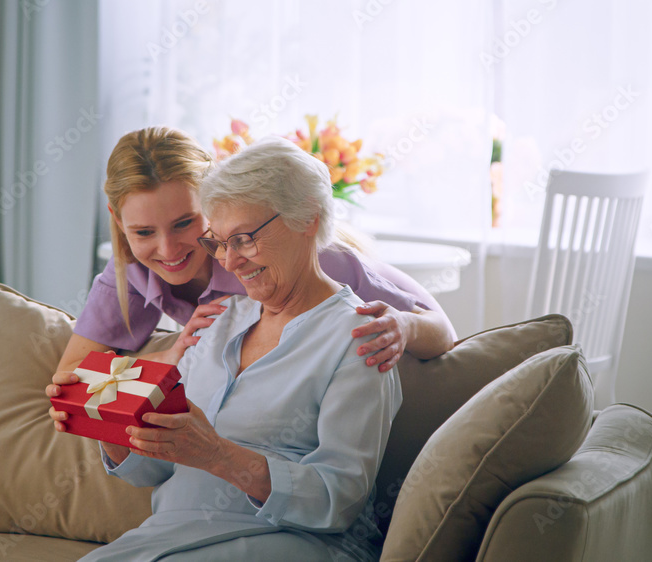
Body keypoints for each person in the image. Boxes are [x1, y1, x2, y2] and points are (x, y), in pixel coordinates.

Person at [76, 136, 402, 561]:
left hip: (295, 543)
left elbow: (338, 500)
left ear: (308, 218)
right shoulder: (217, 319)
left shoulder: (361, 338)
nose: (229, 262)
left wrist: (218, 455)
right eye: (220, 243)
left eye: (244, 239)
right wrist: (111, 430)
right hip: (171, 536)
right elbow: (159, 468)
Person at [45, 127, 454, 414]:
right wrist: (171, 356)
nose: (168, 250)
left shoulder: (306, 258)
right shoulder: (131, 275)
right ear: (118, 221)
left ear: (213, 199)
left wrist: (403, 326)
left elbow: (442, 332)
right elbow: (70, 380)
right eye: (144, 231)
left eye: (186, 223)